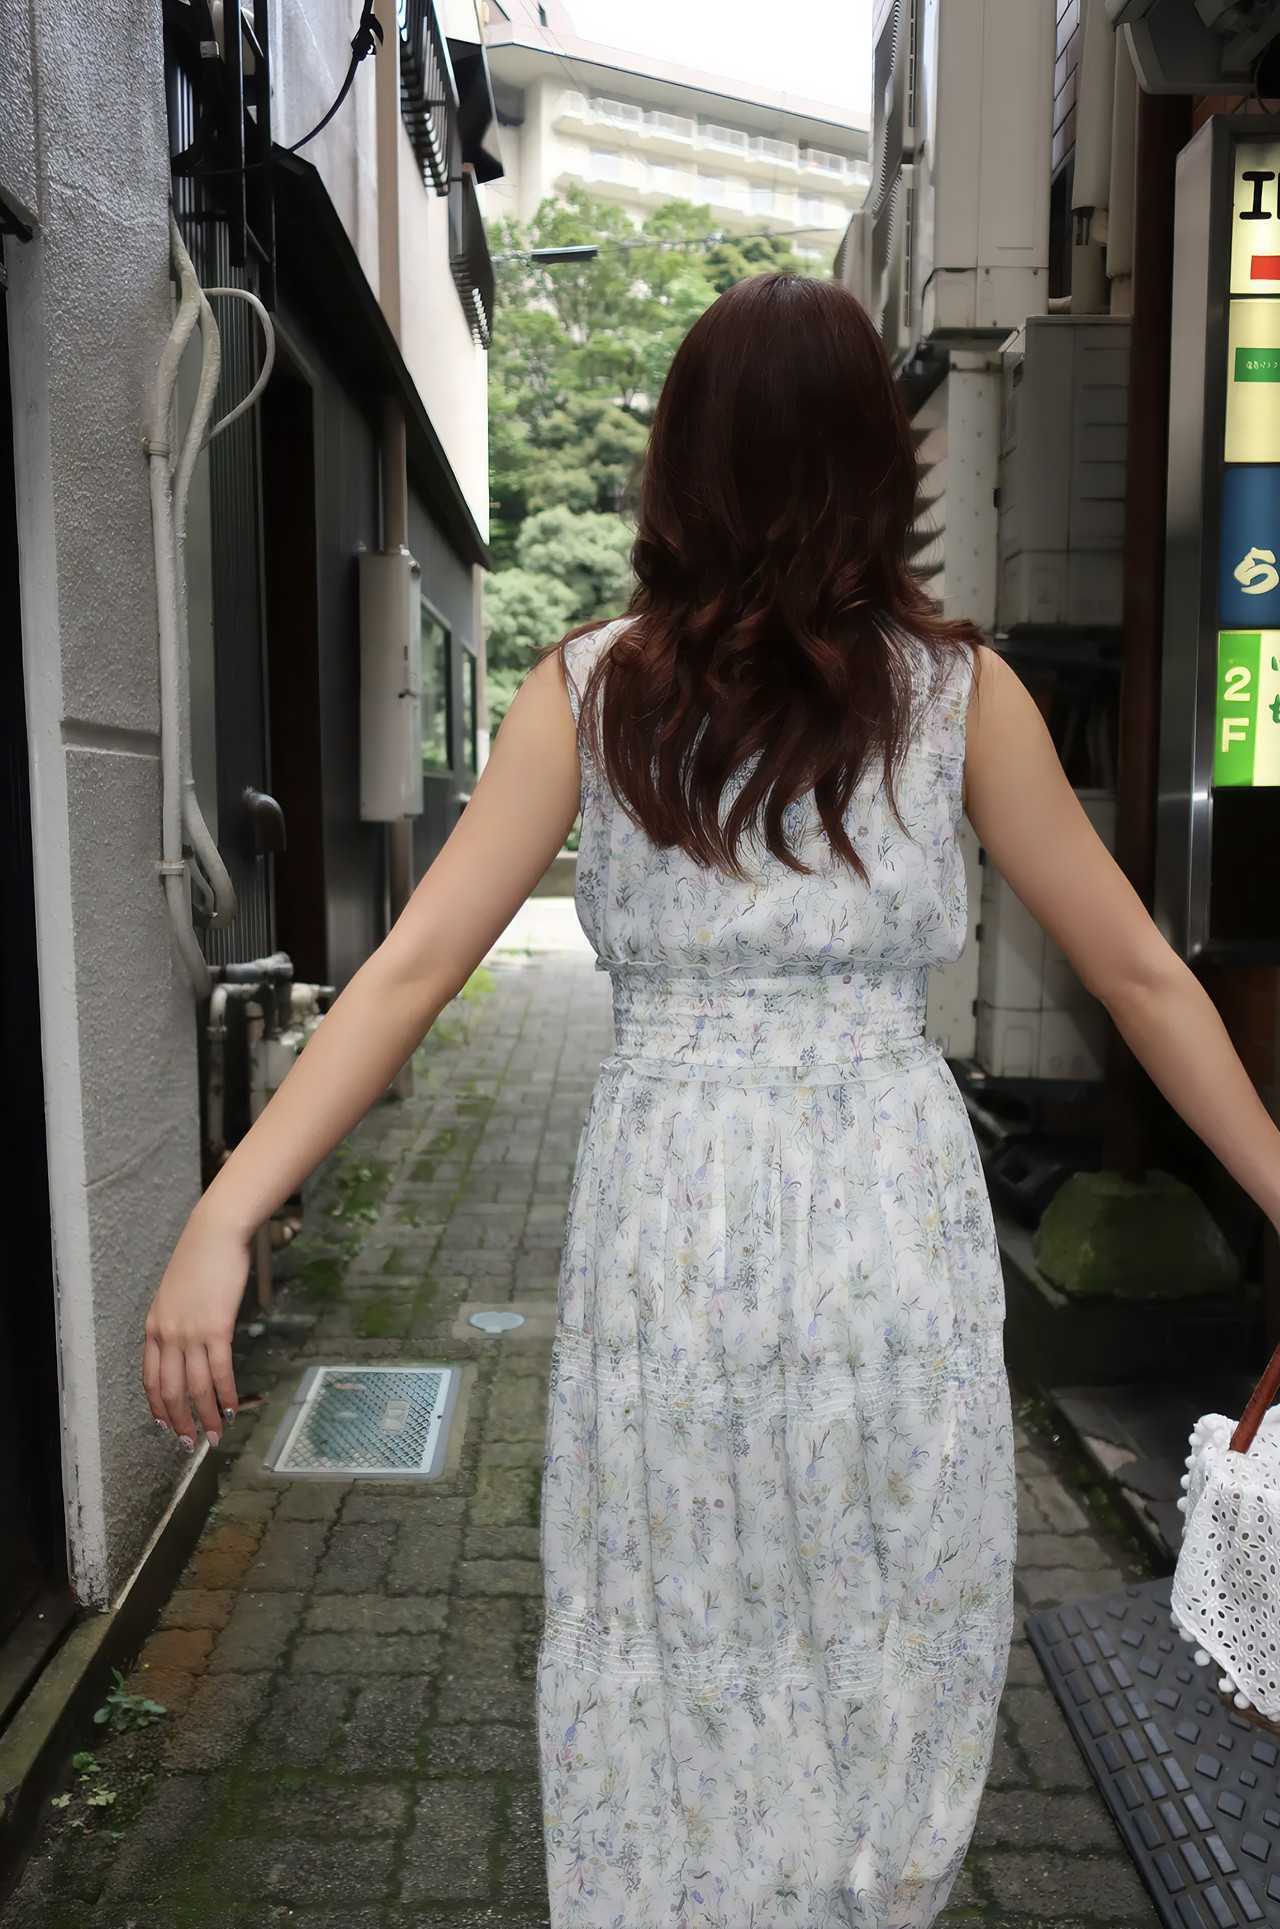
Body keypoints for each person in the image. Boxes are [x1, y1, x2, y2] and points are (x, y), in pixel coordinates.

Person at [143, 272, 1280, 1929]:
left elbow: (406, 971)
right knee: (887, 1598)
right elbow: (1145, 977)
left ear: (677, 467)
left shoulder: (590, 691)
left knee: (670, 1609)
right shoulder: (961, 700)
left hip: (670, 1233)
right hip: (886, 1226)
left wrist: (224, 1208)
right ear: (879, 469)